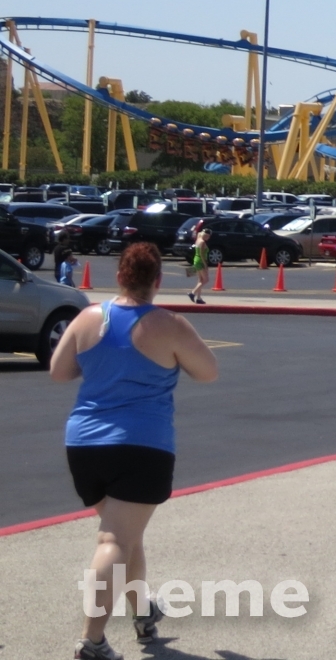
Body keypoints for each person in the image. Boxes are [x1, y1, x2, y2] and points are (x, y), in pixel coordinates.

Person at [51, 242, 219, 660]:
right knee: (114, 539)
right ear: (157, 281)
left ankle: (143, 610)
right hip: (142, 444)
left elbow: (59, 371)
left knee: (127, 534)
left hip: (84, 444)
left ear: (119, 277)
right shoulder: (169, 324)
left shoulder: (89, 317)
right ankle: (92, 640)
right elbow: (207, 372)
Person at [186, 223, 210, 305]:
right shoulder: (202, 242)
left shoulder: (198, 239)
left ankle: (199, 298)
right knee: (206, 280)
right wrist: (205, 265)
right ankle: (192, 293)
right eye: (208, 236)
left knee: (200, 280)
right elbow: (202, 255)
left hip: (196, 260)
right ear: (206, 235)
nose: (208, 238)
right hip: (200, 261)